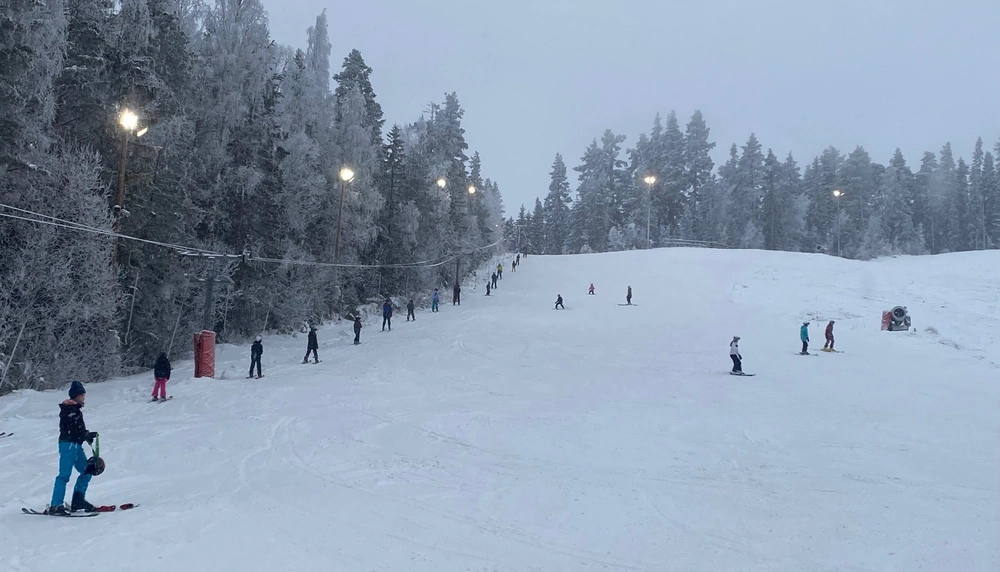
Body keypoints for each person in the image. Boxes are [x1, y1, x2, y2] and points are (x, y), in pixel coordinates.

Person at [48, 381, 99, 515]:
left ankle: (78, 500)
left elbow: (77, 429)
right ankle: (56, 505)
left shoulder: (75, 409)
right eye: (82, 395)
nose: (84, 398)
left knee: (87, 470)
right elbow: (73, 429)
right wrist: (85, 435)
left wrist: (86, 435)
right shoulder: (69, 409)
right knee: (64, 475)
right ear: (77, 395)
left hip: (76, 445)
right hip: (68, 445)